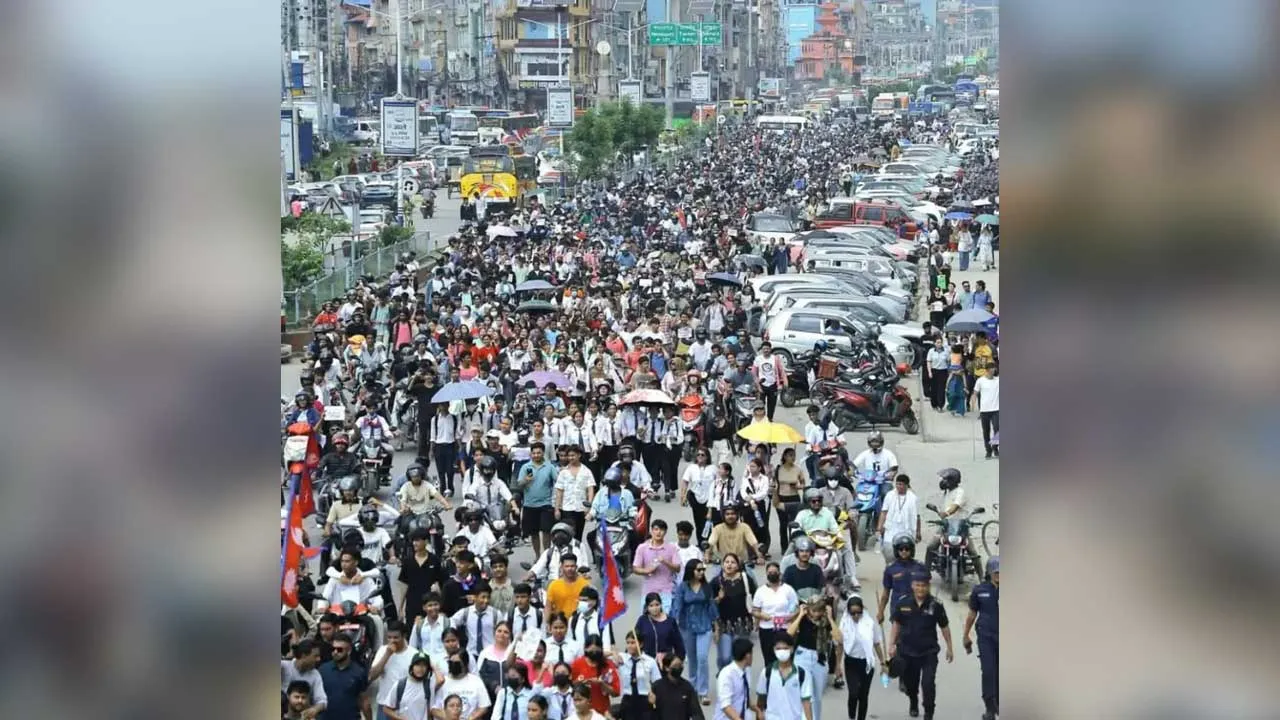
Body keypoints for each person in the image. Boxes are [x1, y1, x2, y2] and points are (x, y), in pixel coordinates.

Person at [888, 572, 954, 720]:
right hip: (907, 652)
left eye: (924, 586)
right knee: (911, 684)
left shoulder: (936, 605)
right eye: (918, 585)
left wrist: (950, 647)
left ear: (928, 586)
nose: (921, 589)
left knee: (928, 684)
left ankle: (929, 713)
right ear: (912, 586)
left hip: (928, 652)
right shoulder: (903, 603)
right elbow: (896, 625)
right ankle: (913, 701)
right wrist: (891, 644)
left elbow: (944, 627)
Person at [669, 558, 718, 705]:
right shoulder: (682, 587)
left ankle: (703, 691)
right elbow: (677, 605)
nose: (702, 572)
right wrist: (674, 621)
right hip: (687, 627)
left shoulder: (707, 587)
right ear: (691, 571)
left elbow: (712, 607)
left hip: (705, 626)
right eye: (699, 569)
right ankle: (692, 687)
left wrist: (717, 626)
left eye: (703, 569)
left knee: (702, 657)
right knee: (692, 659)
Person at [785, 596, 836, 720]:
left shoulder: (825, 621)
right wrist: (800, 615)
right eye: (814, 610)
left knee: (817, 696)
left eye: (819, 610)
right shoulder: (803, 619)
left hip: (820, 658)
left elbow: (839, 638)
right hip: (803, 656)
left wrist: (830, 618)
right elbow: (788, 634)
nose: (816, 614)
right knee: (805, 693)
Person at [963, 556, 1000, 720]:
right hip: (986, 636)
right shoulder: (979, 590)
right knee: (988, 670)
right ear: (989, 573)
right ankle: (990, 707)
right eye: (996, 572)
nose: (999, 575)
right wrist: (965, 635)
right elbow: (972, 614)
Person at [839, 595, 886, 720]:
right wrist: (837, 665)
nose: (855, 616)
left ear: (862, 611)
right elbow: (840, 645)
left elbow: (876, 643)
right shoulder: (844, 624)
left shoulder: (870, 624)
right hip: (851, 662)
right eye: (852, 613)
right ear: (848, 612)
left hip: (867, 663)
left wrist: (883, 663)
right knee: (853, 693)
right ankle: (851, 716)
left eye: (858, 613)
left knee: (863, 695)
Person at [755, 632, 813, 720]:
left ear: (792, 649)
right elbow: (760, 701)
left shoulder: (802, 674)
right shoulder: (767, 672)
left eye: (785, 648)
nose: (782, 651)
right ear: (774, 650)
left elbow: (806, 702)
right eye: (778, 648)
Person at [750, 562, 798, 666]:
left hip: (785, 628)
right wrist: (762, 616)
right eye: (770, 572)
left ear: (779, 573)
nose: (772, 574)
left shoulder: (788, 590)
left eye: (775, 572)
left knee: (786, 657)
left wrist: (792, 616)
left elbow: (796, 608)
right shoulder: (760, 591)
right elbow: (754, 610)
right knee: (769, 658)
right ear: (766, 574)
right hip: (767, 629)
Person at [516, 443, 560, 557]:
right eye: (534, 453)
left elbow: (558, 482)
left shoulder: (549, 467)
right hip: (529, 505)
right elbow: (519, 485)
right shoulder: (525, 467)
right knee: (533, 533)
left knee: (546, 532)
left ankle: (546, 556)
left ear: (543, 453)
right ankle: (537, 556)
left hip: (546, 504)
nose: (536, 455)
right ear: (531, 454)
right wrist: (526, 480)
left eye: (538, 453)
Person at [632, 519, 683, 612]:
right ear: (651, 531)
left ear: (665, 532)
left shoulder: (671, 548)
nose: (658, 532)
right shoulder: (642, 548)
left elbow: (677, 568)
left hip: (666, 590)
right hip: (648, 590)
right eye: (656, 529)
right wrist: (647, 571)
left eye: (661, 530)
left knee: (665, 619)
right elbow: (635, 568)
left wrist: (665, 562)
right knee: (646, 619)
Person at [319, 633, 372, 720]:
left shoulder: (359, 672)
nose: (335, 652)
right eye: (333, 649)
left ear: (349, 651)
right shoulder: (323, 670)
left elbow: (363, 700)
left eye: (339, 650)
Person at [370, 623, 417, 720]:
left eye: (396, 638)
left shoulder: (413, 654)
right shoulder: (383, 650)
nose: (392, 641)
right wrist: (387, 655)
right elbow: (372, 675)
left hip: (405, 706)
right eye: (389, 637)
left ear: (404, 636)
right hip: (384, 704)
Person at [568, 634, 620, 715]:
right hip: (581, 712)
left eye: (596, 651)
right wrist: (581, 685)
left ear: (601, 649)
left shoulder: (608, 665)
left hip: (603, 712)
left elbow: (616, 693)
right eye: (591, 651)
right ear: (585, 648)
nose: (594, 653)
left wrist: (602, 684)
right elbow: (569, 686)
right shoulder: (577, 664)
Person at [429, 652, 492, 720]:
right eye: (450, 662)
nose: (453, 665)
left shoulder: (476, 681)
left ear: (465, 664)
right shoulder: (443, 682)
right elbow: (433, 709)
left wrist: (471, 718)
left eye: (456, 663)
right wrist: (449, 718)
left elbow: (484, 706)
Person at [614, 631, 660, 720]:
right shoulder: (623, 658)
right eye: (628, 643)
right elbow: (601, 654)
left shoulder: (649, 661)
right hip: (628, 699)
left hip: (644, 700)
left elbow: (658, 683)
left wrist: (655, 696)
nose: (630, 646)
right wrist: (613, 654)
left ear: (641, 644)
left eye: (633, 643)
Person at [554, 445, 596, 541]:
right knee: (567, 534)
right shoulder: (563, 472)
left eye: (573, 455)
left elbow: (590, 489)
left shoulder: (586, 471)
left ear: (579, 455)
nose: (570, 458)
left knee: (578, 535)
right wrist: (557, 509)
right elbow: (559, 491)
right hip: (567, 508)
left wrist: (589, 506)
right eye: (569, 456)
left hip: (580, 508)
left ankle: (577, 554)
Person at [876, 475, 922, 562]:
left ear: (906, 485)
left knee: (906, 556)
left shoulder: (913, 498)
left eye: (901, 484)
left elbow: (917, 516)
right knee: (889, 556)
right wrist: (879, 527)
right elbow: (884, 512)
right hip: (891, 530)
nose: (898, 486)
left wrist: (918, 533)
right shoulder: (890, 495)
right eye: (897, 484)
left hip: (907, 531)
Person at [281, 639, 329, 718]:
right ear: (304, 656)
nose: (319, 659)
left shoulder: (315, 675)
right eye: (315, 656)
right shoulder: (285, 666)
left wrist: (315, 709)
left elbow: (322, 701)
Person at [650, 652, 705, 720]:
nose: (679, 667)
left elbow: (697, 713)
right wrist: (650, 703)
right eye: (676, 665)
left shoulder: (687, 687)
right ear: (667, 668)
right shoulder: (657, 687)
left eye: (681, 665)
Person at [633, 592, 685, 664]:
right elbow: (634, 639)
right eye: (651, 606)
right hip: (647, 663)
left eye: (657, 605)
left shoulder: (670, 621)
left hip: (666, 662)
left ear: (661, 605)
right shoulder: (642, 620)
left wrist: (679, 660)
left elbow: (678, 643)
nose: (654, 608)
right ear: (647, 607)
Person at [379, 651, 432, 720]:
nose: (420, 668)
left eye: (424, 665)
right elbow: (386, 709)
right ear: (412, 667)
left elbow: (440, 680)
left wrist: (432, 665)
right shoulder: (400, 684)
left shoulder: (429, 685)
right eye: (417, 664)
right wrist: (400, 718)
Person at [713, 636, 757, 720]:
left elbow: (745, 696)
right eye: (751, 653)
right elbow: (726, 706)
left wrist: (757, 710)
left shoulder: (746, 671)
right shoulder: (727, 675)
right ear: (747, 656)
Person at [680, 447, 717, 542]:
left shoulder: (713, 468)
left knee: (708, 522)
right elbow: (685, 481)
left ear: (707, 457)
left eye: (702, 455)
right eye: (698, 455)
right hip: (695, 498)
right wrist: (683, 496)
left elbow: (718, 482)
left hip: (709, 499)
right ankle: (700, 543)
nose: (700, 457)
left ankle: (708, 543)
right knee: (698, 522)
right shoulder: (691, 468)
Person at [772, 447, 805, 548]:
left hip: (794, 498)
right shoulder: (778, 469)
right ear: (785, 456)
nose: (793, 457)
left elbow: (803, 484)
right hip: (781, 497)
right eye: (790, 455)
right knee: (783, 524)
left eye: (794, 455)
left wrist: (797, 486)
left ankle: (793, 544)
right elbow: (774, 483)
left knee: (793, 523)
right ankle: (784, 546)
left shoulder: (798, 469)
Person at [475, 620, 516, 699]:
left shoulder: (515, 652)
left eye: (506, 632)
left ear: (510, 635)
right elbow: (480, 675)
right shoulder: (485, 653)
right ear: (494, 633)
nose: (502, 634)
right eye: (499, 631)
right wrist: (494, 686)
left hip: (511, 695)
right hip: (490, 696)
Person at [544, 556, 589, 624]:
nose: (570, 569)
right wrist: (547, 624)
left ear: (576, 567)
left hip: (580, 623)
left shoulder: (585, 585)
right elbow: (548, 607)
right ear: (561, 567)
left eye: (572, 566)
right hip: (561, 625)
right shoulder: (554, 585)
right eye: (567, 566)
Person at [751, 341, 786, 420]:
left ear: (770, 349)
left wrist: (781, 384)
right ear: (762, 350)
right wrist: (758, 385)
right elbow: (754, 373)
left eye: (767, 348)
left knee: (772, 405)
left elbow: (781, 371)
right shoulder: (758, 359)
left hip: (773, 385)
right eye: (764, 349)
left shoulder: (775, 358)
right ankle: (761, 420)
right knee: (760, 406)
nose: (766, 350)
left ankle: (770, 419)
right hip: (762, 386)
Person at [974, 364, 1000, 458]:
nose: (993, 371)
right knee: (986, 431)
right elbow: (975, 393)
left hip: (996, 409)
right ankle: (988, 450)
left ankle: (995, 447)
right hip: (984, 410)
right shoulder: (980, 381)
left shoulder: (998, 380)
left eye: (994, 369)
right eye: (992, 369)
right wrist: (972, 402)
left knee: (998, 429)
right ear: (987, 370)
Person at [924, 337, 949, 411]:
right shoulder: (931, 351)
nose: (939, 344)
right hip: (934, 371)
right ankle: (934, 404)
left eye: (940, 342)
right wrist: (929, 372)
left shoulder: (945, 351)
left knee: (941, 389)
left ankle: (940, 405)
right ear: (935, 343)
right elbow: (928, 362)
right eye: (937, 342)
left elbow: (948, 361)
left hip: (943, 371)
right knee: (934, 389)